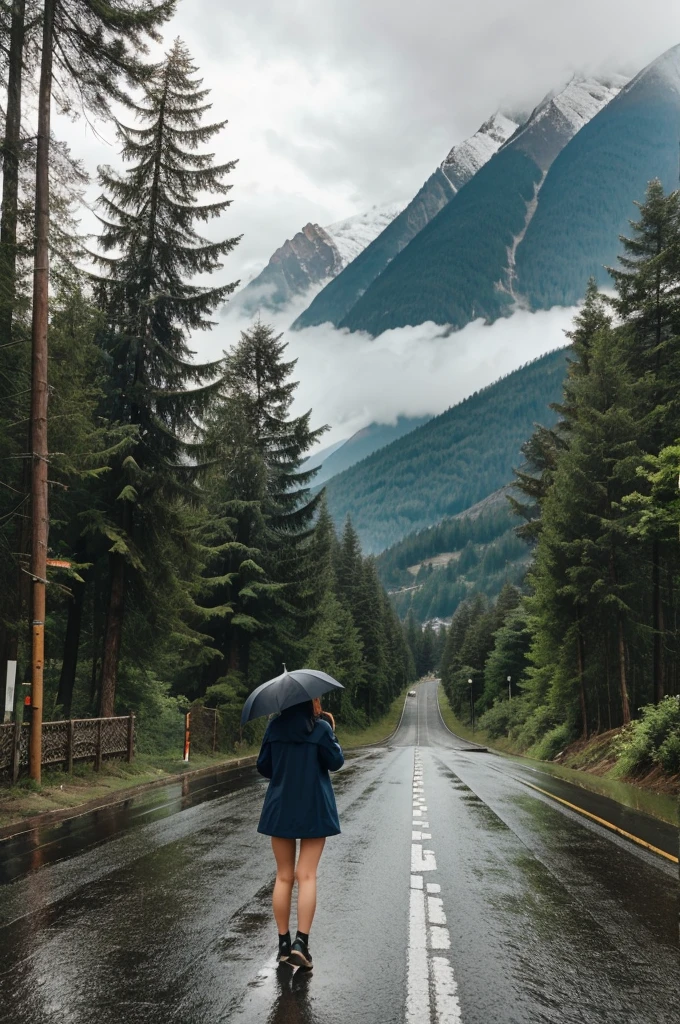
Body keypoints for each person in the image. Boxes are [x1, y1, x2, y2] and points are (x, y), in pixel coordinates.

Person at [256, 696, 344, 970]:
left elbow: (264, 766)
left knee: (283, 876)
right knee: (306, 875)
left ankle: (283, 945)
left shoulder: (274, 727)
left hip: (280, 807)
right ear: (311, 700)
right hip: (314, 808)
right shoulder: (320, 728)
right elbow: (336, 761)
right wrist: (332, 735)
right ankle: (301, 944)